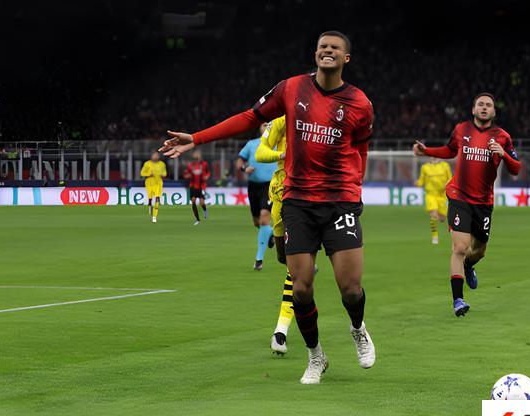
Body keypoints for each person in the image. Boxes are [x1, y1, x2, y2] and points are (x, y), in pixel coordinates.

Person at [160, 30, 376, 384]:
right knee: (301, 287)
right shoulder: (291, 88)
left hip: (340, 202)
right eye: (322, 46)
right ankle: (315, 356)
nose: (327, 51)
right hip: (298, 201)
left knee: (350, 288)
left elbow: (361, 149)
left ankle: (358, 329)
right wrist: (197, 138)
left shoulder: (359, 103)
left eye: (335, 47)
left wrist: (356, 186)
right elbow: (249, 117)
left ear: (346, 58)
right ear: (315, 54)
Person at [413, 92, 521, 317]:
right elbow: (449, 150)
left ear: (494, 112)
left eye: (488, 105)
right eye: (480, 104)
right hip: (459, 196)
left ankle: (469, 266)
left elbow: (516, 168)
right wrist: (427, 151)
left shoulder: (502, 137)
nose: (484, 107)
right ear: (473, 109)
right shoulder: (462, 129)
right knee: (460, 248)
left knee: (479, 251)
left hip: (483, 202)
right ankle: (458, 300)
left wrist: (504, 155)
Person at [255, 115, 292, 354]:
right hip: (279, 190)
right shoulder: (280, 122)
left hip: (308, 192)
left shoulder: (321, 117)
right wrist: (283, 155)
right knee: (283, 258)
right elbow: (260, 153)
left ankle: (280, 332)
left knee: (296, 269)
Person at [236, 123, 276, 270]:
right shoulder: (251, 144)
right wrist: (244, 168)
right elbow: (239, 161)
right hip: (253, 186)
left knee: (264, 219)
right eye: (263, 124)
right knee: (257, 222)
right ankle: (271, 233)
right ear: (259, 128)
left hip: (270, 186)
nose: (265, 126)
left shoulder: (278, 143)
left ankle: (259, 260)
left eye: (269, 124)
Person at [415, 158, 452, 244]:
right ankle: (435, 236)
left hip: (442, 195)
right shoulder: (425, 167)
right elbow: (421, 180)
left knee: (442, 219)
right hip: (430, 194)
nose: (433, 157)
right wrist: (418, 183)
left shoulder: (445, 166)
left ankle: (436, 220)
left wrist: (448, 186)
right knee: (433, 214)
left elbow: (450, 178)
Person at [184, 150, 211, 225]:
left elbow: (208, 172)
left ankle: (205, 210)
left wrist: (207, 177)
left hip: (202, 186)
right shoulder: (190, 165)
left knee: (202, 202)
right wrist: (188, 176)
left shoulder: (204, 164)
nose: (196, 155)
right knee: (193, 201)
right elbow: (185, 174)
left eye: (197, 154)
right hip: (193, 186)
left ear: (200, 156)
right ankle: (197, 220)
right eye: (195, 154)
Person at [140, 151, 167, 223]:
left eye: (157, 155)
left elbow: (165, 173)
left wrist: (163, 175)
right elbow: (142, 173)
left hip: (158, 184)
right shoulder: (147, 164)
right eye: (154, 155)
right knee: (150, 199)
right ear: (151, 156)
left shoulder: (162, 164)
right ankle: (150, 207)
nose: (155, 157)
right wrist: (149, 174)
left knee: (157, 198)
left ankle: (154, 216)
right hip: (149, 183)